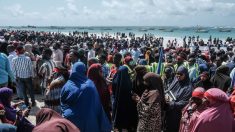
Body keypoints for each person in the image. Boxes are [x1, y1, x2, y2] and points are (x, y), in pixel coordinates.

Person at [60, 62, 111, 132]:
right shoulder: (90, 85)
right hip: (89, 123)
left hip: (71, 123)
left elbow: (62, 104)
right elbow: (97, 106)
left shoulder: (67, 85)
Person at [165, 66, 193, 132]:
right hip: (168, 110)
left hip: (177, 114)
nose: (178, 76)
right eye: (177, 73)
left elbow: (185, 102)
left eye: (181, 74)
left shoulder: (189, 88)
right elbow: (169, 90)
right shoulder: (176, 81)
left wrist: (173, 104)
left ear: (185, 75)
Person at [112, 66, 138, 131]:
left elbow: (113, 89)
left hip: (117, 101)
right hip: (127, 103)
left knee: (118, 116)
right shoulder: (128, 81)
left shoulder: (115, 79)